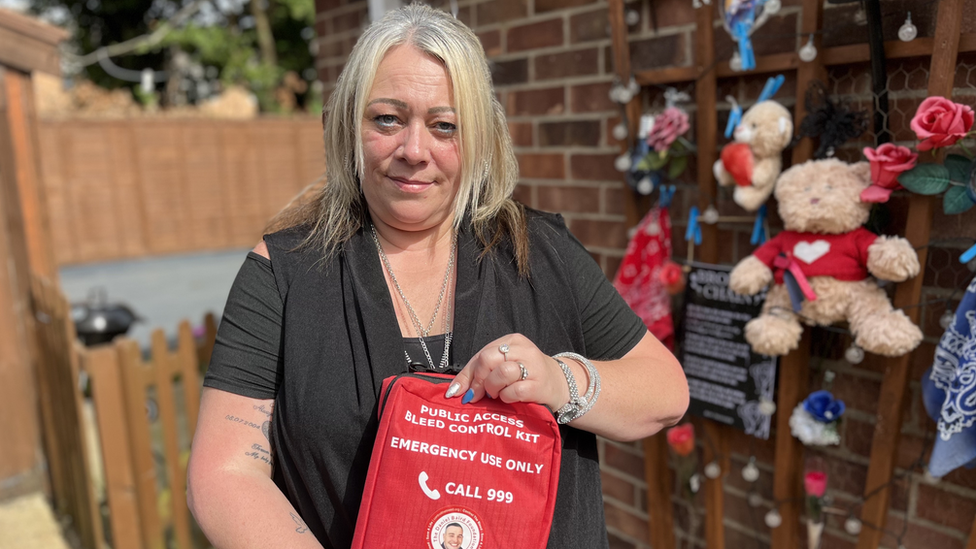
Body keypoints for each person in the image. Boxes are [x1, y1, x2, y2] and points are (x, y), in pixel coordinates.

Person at [186, 4, 689, 549]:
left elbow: (664, 393)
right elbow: (225, 473)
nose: (414, 151)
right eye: (387, 119)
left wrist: (558, 382)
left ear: (476, 138)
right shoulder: (284, 272)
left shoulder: (539, 251)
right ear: (347, 123)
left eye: (444, 125)